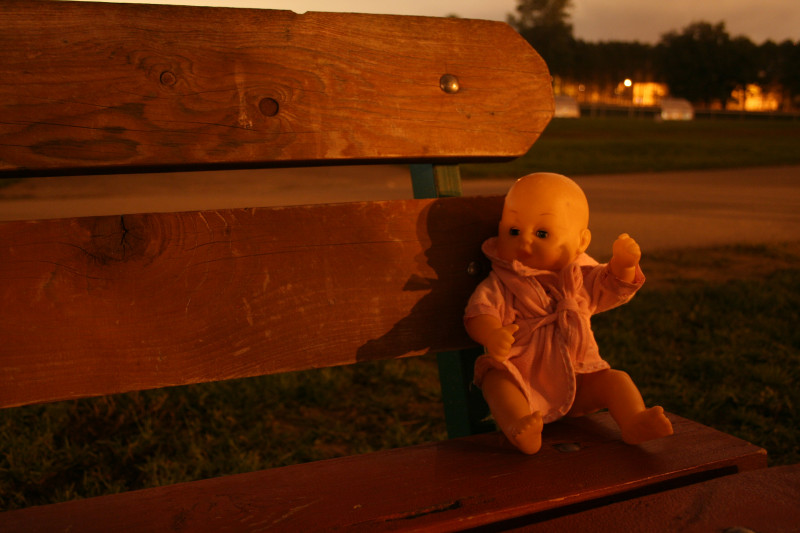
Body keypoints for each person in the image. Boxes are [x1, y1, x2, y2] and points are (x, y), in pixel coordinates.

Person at [464, 173, 673, 454]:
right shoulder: (503, 281)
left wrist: (623, 265)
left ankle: (634, 420)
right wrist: (492, 333)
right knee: (495, 382)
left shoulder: (581, 278)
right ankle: (519, 427)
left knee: (616, 380)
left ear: (580, 241)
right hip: (522, 375)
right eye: (514, 231)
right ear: (500, 228)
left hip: (579, 376)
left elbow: (612, 286)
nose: (525, 241)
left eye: (542, 234)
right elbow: (480, 310)